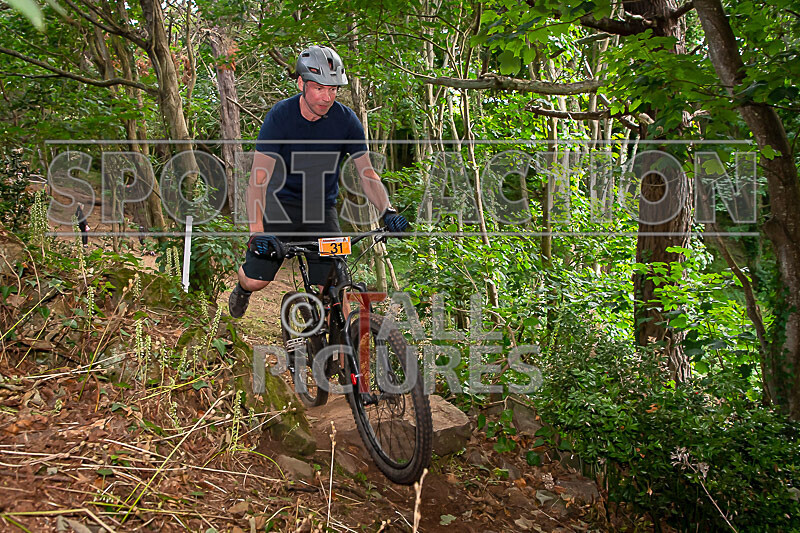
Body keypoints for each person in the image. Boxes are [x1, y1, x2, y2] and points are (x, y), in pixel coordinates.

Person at [228, 45, 408, 318]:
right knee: (256, 280)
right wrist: (257, 232)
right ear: (301, 84)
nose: (327, 97)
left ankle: (345, 344)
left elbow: (367, 174)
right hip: (279, 207)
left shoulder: (346, 121)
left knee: (335, 285)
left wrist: (387, 210)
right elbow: (258, 179)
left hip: (321, 211)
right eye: (319, 88)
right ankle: (243, 289)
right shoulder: (281, 116)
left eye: (333, 89)